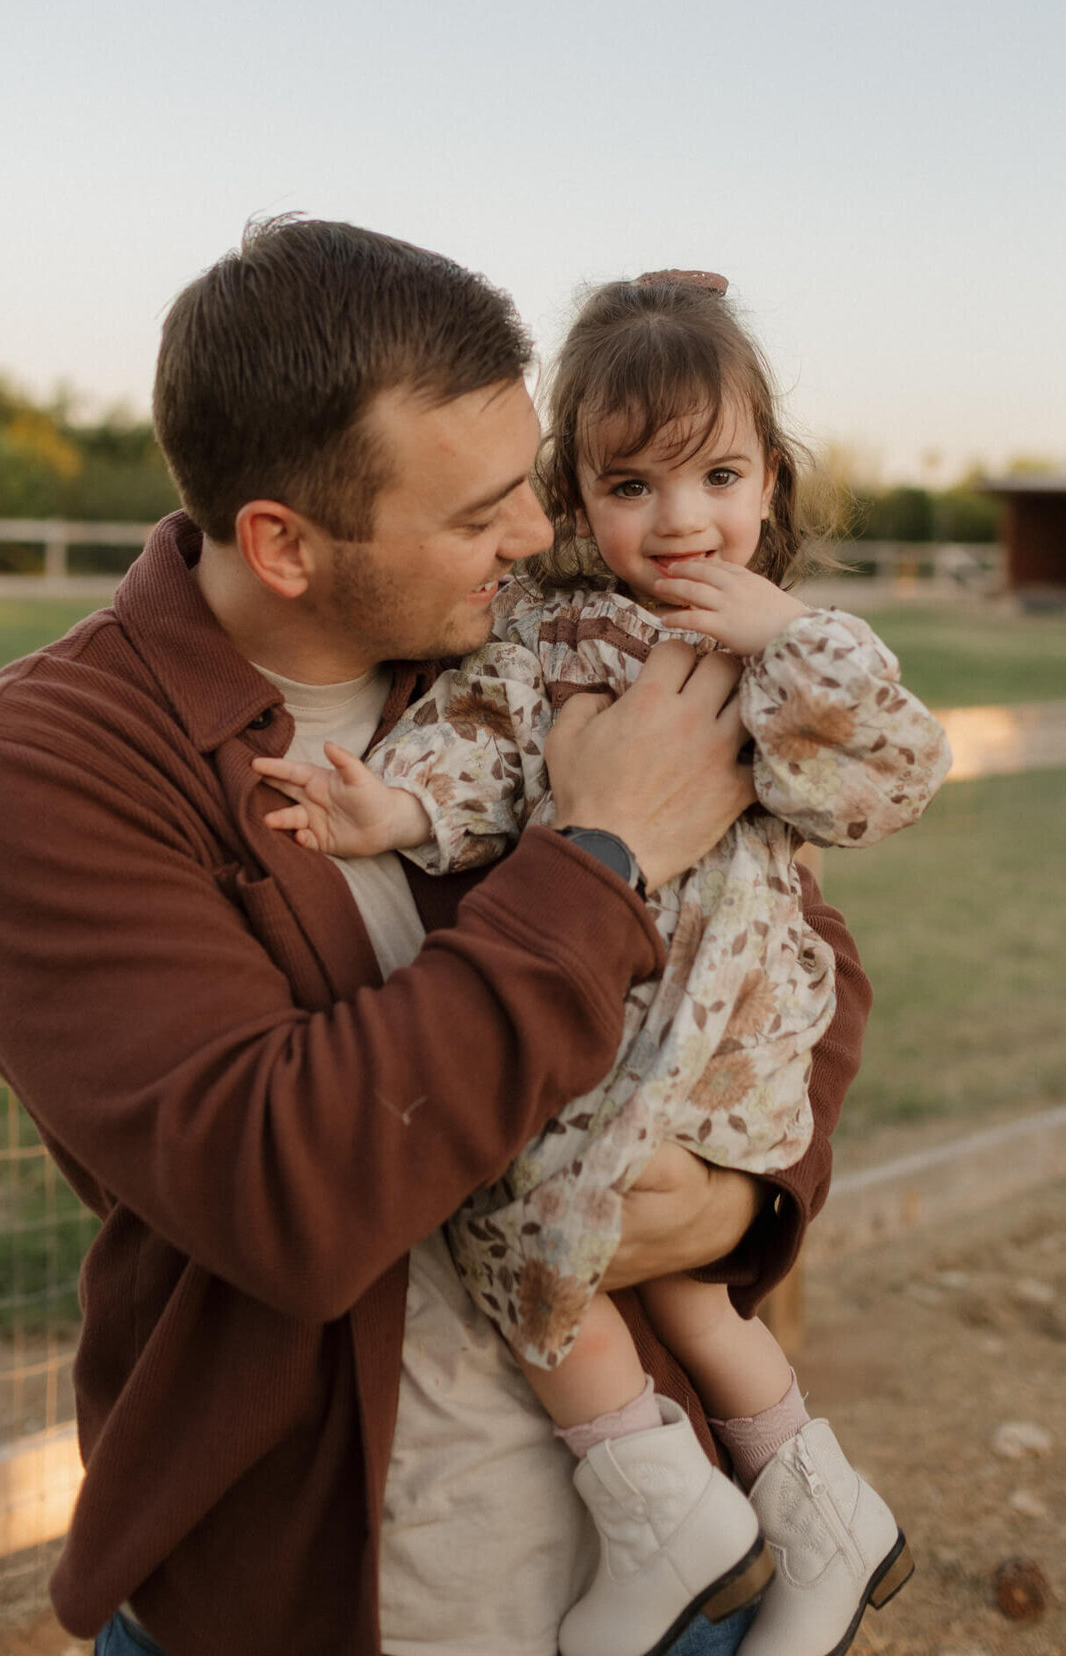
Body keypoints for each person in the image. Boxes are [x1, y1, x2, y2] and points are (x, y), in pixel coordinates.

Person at [0, 220, 871, 1656]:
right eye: (479, 512)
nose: (537, 538)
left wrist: (750, 1198)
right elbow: (281, 1191)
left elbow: (806, 952)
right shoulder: (43, 768)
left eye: (529, 488)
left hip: (669, 1578)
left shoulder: (531, 653)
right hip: (322, 1599)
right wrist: (599, 857)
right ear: (283, 544)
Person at [254, 268, 948, 1656]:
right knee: (662, 1275)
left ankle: (664, 1505)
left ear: (771, 480)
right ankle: (813, 1510)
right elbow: (483, 755)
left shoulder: (790, 645)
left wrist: (793, 645)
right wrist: (390, 811)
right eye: (632, 486)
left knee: (528, 1216)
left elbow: (893, 779)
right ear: (573, 495)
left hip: (725, 1018)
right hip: (616, 1004)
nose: (681, 521)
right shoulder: (545, 634)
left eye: (720, 476)